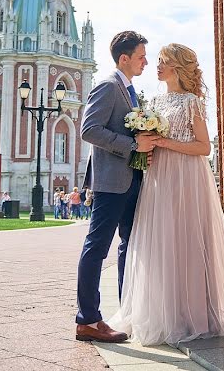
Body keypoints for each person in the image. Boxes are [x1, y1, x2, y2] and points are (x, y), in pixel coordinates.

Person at [108, 43, 224, 346]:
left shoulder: (192, 102)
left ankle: (195, 313)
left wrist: (165, 145)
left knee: (188, 239)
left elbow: (204, 147)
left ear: (177, 67)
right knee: (162, 242)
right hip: (159, 179)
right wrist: (146, 148)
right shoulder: (153, 100)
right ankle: (165, 312)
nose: (156, 66)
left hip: (186, 178)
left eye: (163, 61)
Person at [74, 31, 156, 343]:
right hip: (110, 183)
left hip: (133, 180)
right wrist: (133, 144)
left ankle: (127, 311)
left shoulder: (131, 90)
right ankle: (88, 320)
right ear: (124, 58)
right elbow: (89, 130)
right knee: (97, 247)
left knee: (129, 247)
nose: (145, 61)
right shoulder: (108, 86)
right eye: (140, 56)